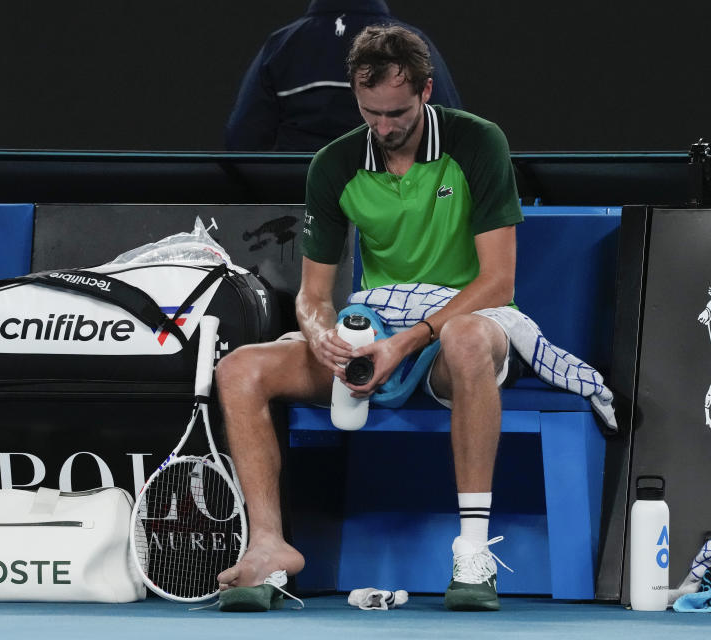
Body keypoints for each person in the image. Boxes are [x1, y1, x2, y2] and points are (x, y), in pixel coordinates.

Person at [214, 24, 522, 612]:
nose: (384, 127)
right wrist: (322, 336)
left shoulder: (479, 144)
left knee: (463, 338)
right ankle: (270, 547)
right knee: (240, 370)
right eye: (370, 112)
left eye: (397, 113)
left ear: (427, 91)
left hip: (458, 330)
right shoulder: (335, 165)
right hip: (378, 334)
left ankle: (474, 553)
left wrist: (404, 344)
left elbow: (497, 281)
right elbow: (313, 295)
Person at [225, 0, 461, 151]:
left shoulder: (280, 46)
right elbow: (454, 135)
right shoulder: (414, 44)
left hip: (301, 202)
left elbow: (242, 142)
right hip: (392, 205)